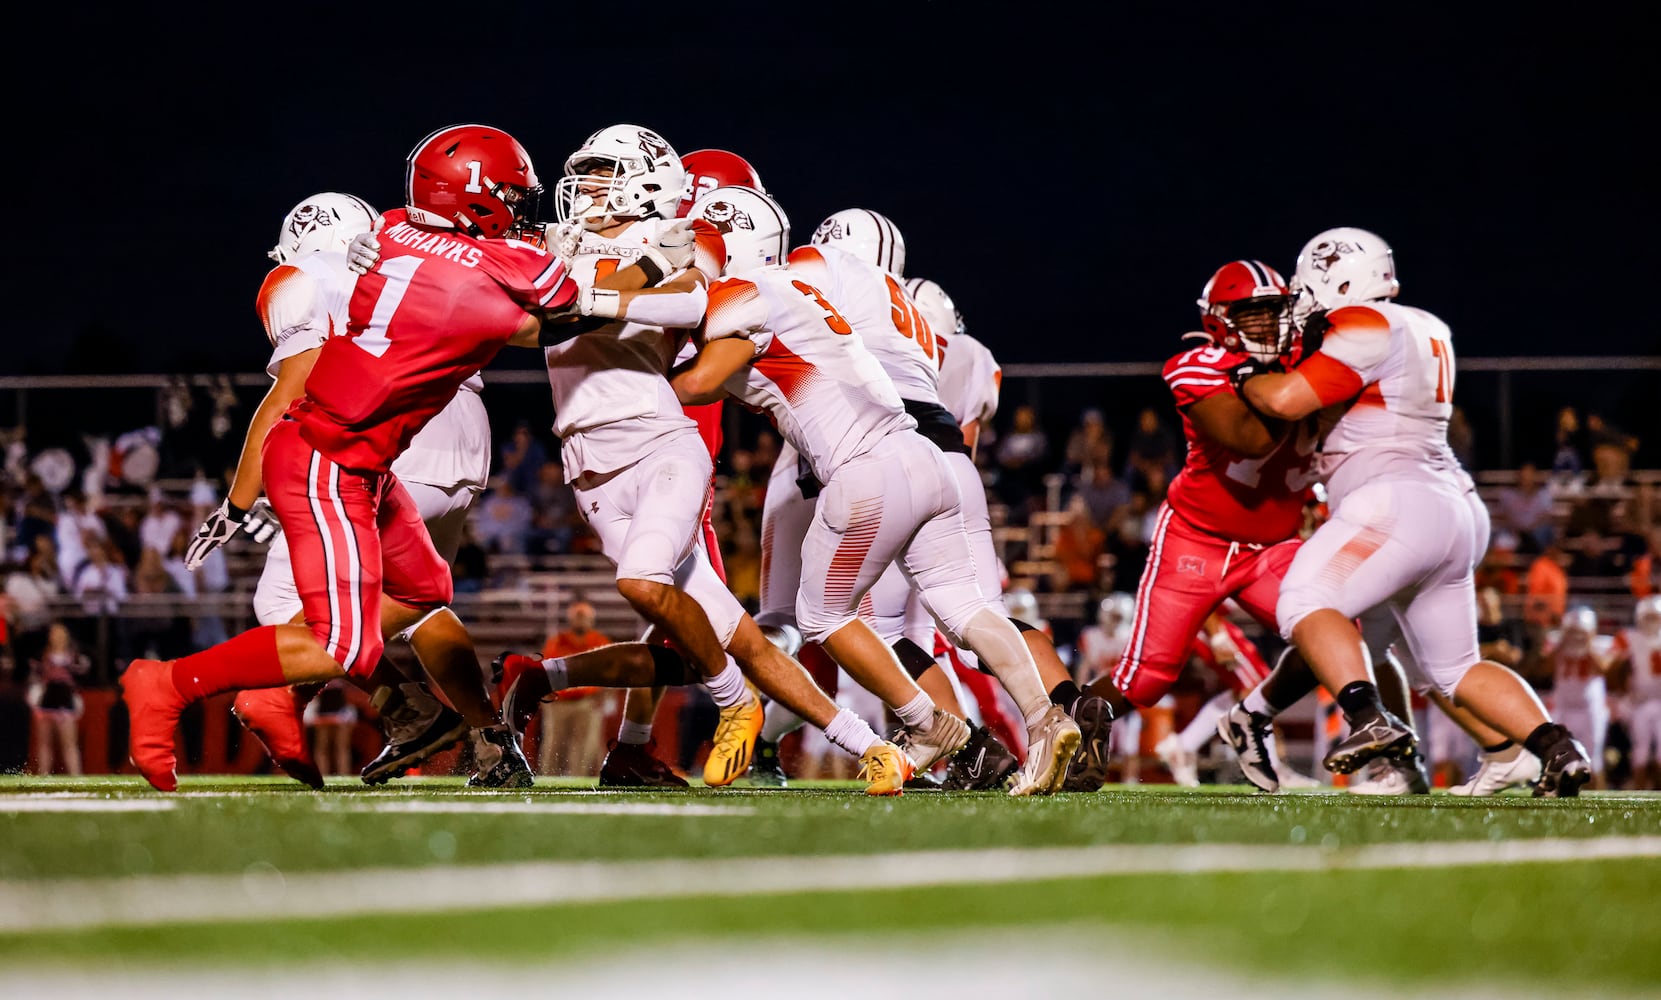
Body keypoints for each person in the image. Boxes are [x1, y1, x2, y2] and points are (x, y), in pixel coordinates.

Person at [121, 123, 666, 792]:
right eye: (510, 197)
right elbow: (563, 316)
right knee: (339, 643)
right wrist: (653, 264)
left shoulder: (390, 230)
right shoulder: (477, 272)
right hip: (330, 459)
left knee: (423, 592)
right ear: (475, 198)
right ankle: (170, 682)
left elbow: (493, 277)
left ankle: (412, 713)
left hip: (365, 457)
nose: (522, 209)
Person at [478, 127, 906, 795]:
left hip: (659, 443)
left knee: (643, 584)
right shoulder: (561, 243)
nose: (584, 186)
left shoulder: (676, 237)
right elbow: (484, 279)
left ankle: (733, 706)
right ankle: (873, 746)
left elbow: (687, 298)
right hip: (588, 464)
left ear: (649, 181)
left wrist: (582, 298)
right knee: (737, 633)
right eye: (583, 173)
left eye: (599, 172)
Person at [677, 186, 1080, 796]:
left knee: (820, 615)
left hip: (866, 466)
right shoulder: (870, 296)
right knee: (968, 609)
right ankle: (1047, 718)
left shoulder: (767, 287)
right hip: (935, 453)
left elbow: (700, 375)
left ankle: (928, 727)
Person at [1232, 226, 1592, 795]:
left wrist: (1245, 373)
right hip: (1452, 506)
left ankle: (1366, 715)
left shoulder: (1365, 323)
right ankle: (1555, 747)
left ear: (1337, 277)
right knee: (1454, 671)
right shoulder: (1427, 326)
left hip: (1396, 499)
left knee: (1304, 600)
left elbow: (1285, 399)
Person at [182, 189, 496, 791]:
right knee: (413, 603)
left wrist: (239, 500)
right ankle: (490, 740)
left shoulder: (297, 278)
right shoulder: (404, 262)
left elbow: (294, 387)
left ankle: (411, 711)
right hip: (462, 432)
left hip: (387, 432)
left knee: (282, 604)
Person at [1070, 260, 1320, 794]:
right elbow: (1251, 440)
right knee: (1147, 678)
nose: (1265, 326)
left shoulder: (1307, 359)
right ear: (1220, 322)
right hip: (1197, 539)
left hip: (1272, 545)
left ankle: (1249, 716)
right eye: (1251, 315)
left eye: (1273, 312)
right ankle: (1074, 725)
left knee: (1333, 636)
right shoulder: (1197, 366)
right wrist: (1290, 380)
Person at [537, 599, 615, 778]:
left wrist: (606, 696)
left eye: (584, 616)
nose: (580, 620)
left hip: (587, 702)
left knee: (585, 746)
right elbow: (545, 670)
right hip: (559, 703)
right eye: (577, 616)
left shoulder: (599, 641)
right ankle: (548, 778)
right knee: (553, 743)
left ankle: (578, 779)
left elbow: (611, 672)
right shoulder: (558, 642)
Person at [25, 622, 88, 775]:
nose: (57, 637)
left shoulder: (74, 656)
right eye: (54, 634)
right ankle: (43, 776)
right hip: (47, 700)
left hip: (65, 700)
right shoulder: (43, 655)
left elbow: (82, 673)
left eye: (60, 634)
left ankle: (75, 776)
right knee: (44, 744)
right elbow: (34, 676)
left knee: (69, 744)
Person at [1613, 595, 1661, 788]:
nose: (1650, 622)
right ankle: (1641, 793)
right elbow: (1612, 669)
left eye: (1654, 617)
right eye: (1647, 617)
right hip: (1639, 702)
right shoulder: (1628, 638)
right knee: (1640, 752)